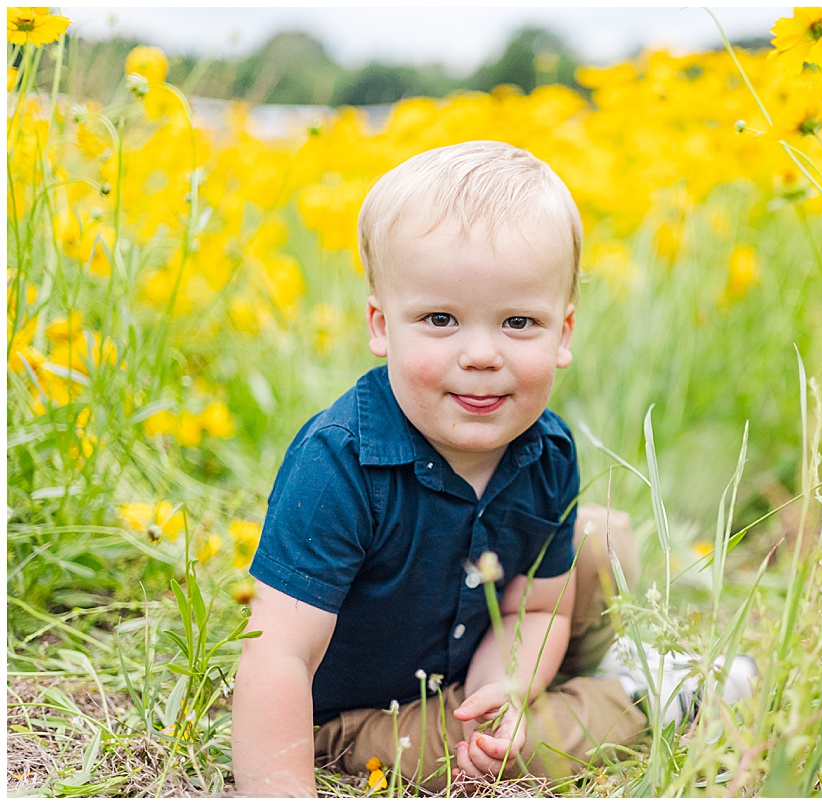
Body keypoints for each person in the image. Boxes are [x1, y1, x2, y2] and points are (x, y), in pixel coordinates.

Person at [231, 141, 651, 796]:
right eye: (440, 319)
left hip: (478, 654)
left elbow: (535, 608)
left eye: (517, 321)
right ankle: (646, 696)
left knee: (604, 541)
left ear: (563, 333)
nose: (481, 354)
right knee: (509, 753)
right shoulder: (339, 464)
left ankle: (575, 680)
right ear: (381, 325)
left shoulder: (549, 450)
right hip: (368, 711)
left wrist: (501, 690)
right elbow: (277, 654)